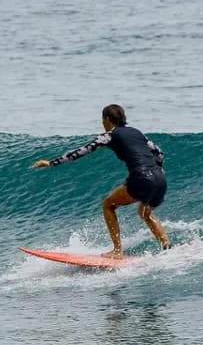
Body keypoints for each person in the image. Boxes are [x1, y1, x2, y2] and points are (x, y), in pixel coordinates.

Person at [32, 104, 171, 259]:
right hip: (160, 179)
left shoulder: (109, 135)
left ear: (106, 119)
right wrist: (159, 168)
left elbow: (81, 151)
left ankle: (117, 251)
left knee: (108, 205)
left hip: (141, 178)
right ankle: (166, 246)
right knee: (145, 213)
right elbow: (158, 152)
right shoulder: (137, 133)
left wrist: (52, 163)